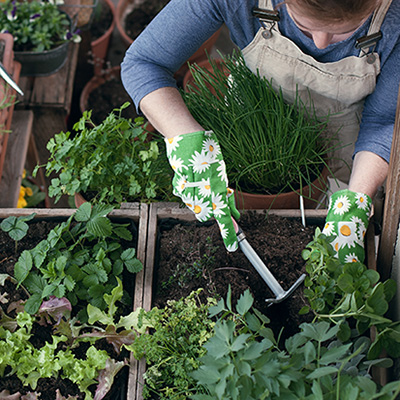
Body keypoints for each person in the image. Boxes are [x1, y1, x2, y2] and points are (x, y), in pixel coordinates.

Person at [121, 0, 400, 263]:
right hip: (253, 129)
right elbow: (144, 63)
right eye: (303, 26)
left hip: (349, 145)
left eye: (346, 32)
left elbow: (384, 120)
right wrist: (185, 137)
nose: (319, 43)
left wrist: (357, 198)